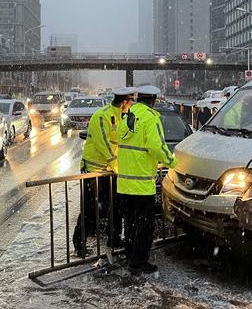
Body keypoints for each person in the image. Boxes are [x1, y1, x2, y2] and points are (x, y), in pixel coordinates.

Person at [117, 85, 177, 273]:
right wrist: (172, 162)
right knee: (145, 225)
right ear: (153, 100)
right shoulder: (151, 118)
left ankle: (130, 255)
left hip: (124, 182)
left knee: (131, 222)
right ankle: (139, 261)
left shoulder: (128, 114)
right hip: (142, 183)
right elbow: (155, 146)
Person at [72, 87, 136, 257]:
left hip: (111, 172)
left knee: (116, 207)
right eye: (130, 102)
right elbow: (104, 145)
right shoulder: (103, 115)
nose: (131, 105)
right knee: (91, 209)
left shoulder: (124, 117)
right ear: (124, 102)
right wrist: (117, 166)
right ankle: (79, 244)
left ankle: (114, 238)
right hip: (95, 171)